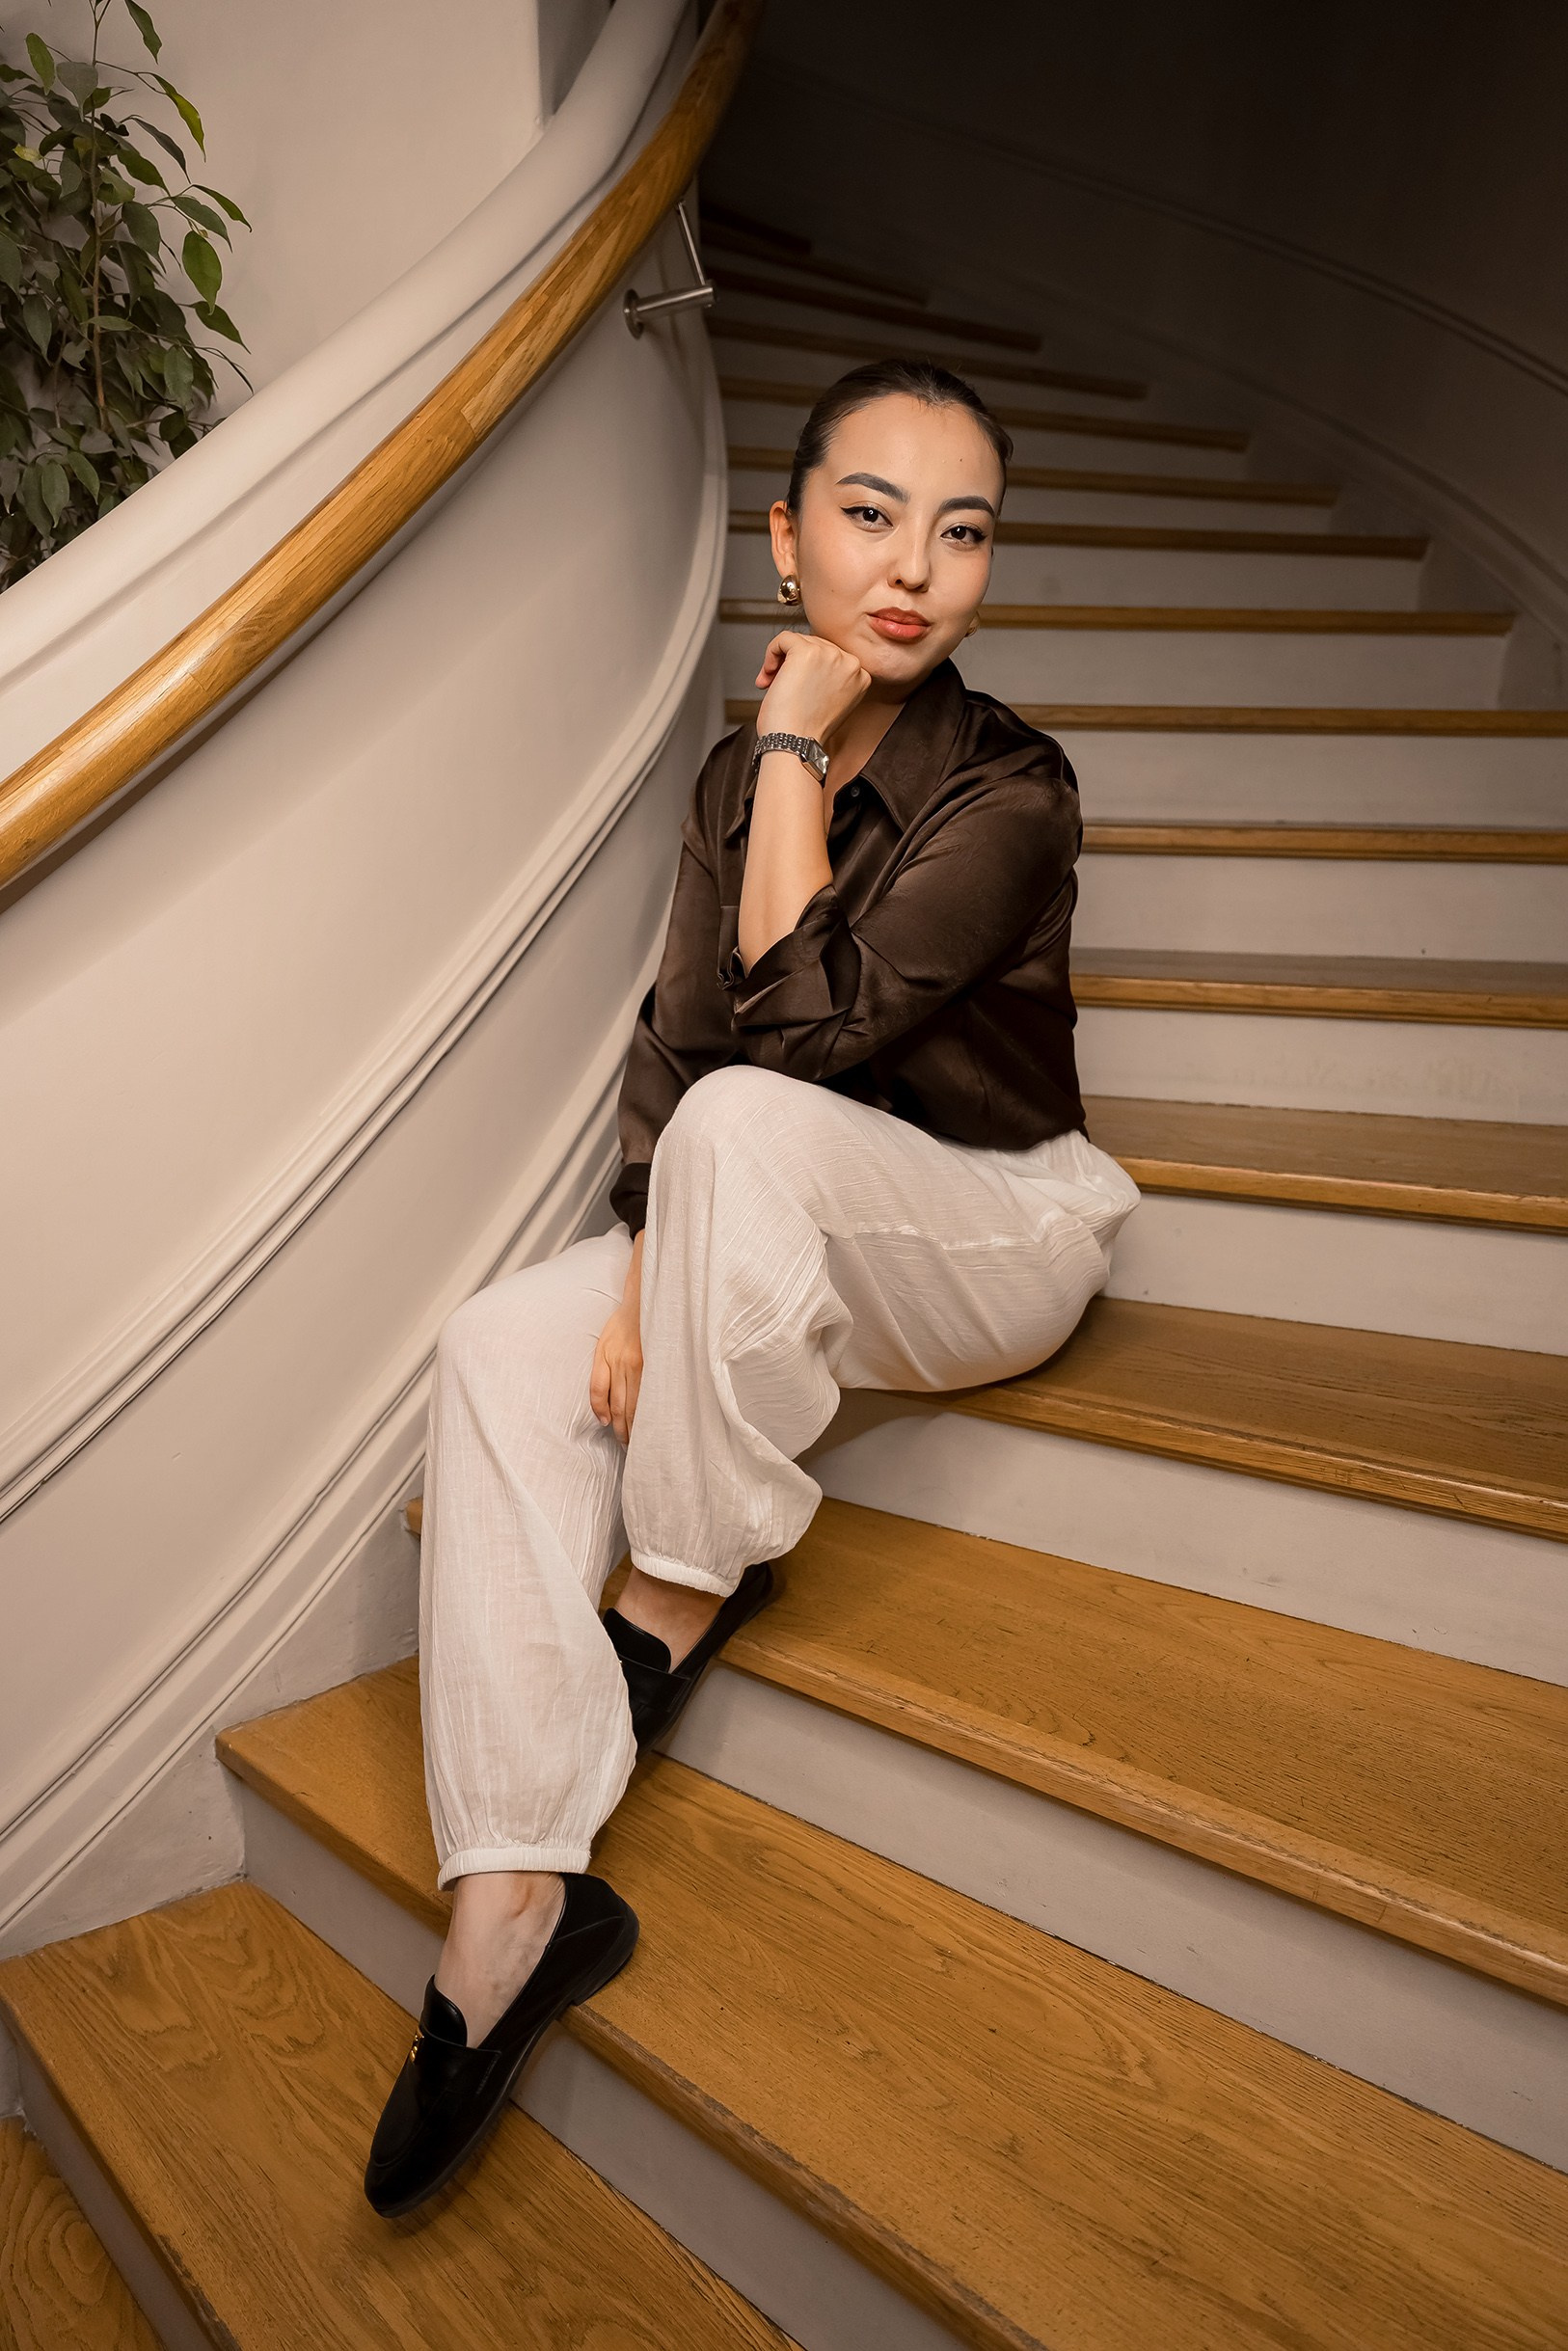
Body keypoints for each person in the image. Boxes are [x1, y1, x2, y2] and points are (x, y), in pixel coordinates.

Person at [364, 355, 1140, 2217]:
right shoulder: (730, 777)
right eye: (870, 515)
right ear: (786, 537)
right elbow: (680, 1043)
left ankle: (679, 1584)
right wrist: (649, 1266)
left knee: (738, 1123)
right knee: (494, 1345)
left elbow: (791, 1038)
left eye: (962, 531)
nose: (915, 568)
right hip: (772, 1198)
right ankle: (513, 1903)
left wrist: (793, 738)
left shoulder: (1012, 786)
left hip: (989, 1223)